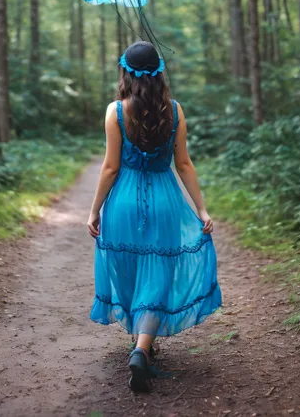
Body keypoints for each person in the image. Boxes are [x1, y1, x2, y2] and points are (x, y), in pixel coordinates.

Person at [87, 41, 222, 392]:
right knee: (158, 270)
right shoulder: (174, 111)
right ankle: (143, 346)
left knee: (130, 266)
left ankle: (141, 345)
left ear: (126, 73)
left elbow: (110, 167)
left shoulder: (115, 111)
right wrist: (201, 209)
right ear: (159, 72)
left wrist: (95, 209)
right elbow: (184, 164)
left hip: (124, 203)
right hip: (164, 200)